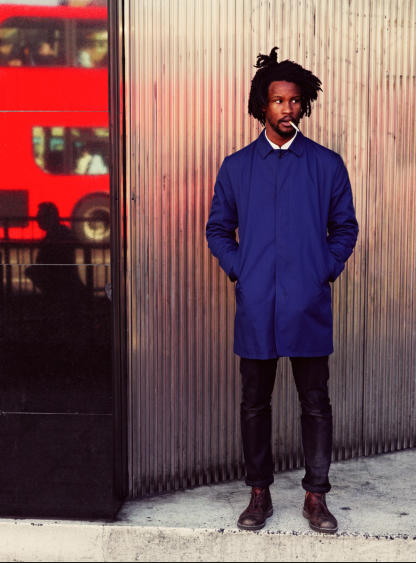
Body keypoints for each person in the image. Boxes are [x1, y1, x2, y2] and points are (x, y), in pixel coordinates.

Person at [206, 47, 359, 534]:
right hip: (256, 307)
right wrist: (241, 271)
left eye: (294, 101)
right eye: (278, 101)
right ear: (262, 105)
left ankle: (316, 496)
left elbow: (345, 228)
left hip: (307, 305)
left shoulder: (326, 165)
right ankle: (259, 493)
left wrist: (323, 270)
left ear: (304, 103)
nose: (287, 109)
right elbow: (218, 229)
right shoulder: (236, 167)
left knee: (315, 402)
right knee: (255, 403)